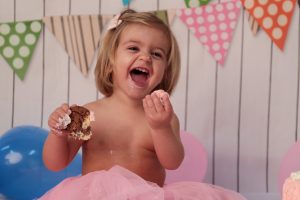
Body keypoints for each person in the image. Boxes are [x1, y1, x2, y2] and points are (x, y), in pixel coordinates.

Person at [39, 9, 246, 200]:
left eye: (156, 54)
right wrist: (58, 134)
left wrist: (160, 128)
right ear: (111, 61)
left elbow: (173, 162)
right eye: (133, 48)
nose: (145, 57)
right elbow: (56, 163)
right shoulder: (88, 114)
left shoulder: (163, 118)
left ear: (165, 71)